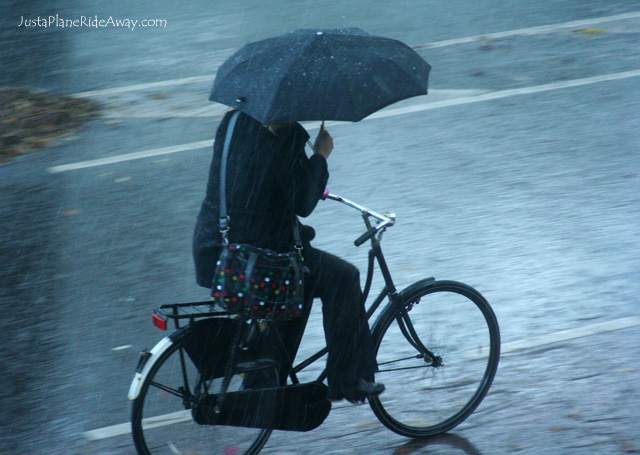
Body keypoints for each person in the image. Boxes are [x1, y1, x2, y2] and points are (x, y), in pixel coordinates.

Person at [193, 109, 384, 403]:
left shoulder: (233, 121)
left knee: (303, 281)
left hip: (218, 246)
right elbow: (303, 201)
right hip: (260, 255)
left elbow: (256, 185)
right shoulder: (282, 136)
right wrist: (320, 155)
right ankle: (349, 379)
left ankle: (264, 381)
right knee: (343, 278)